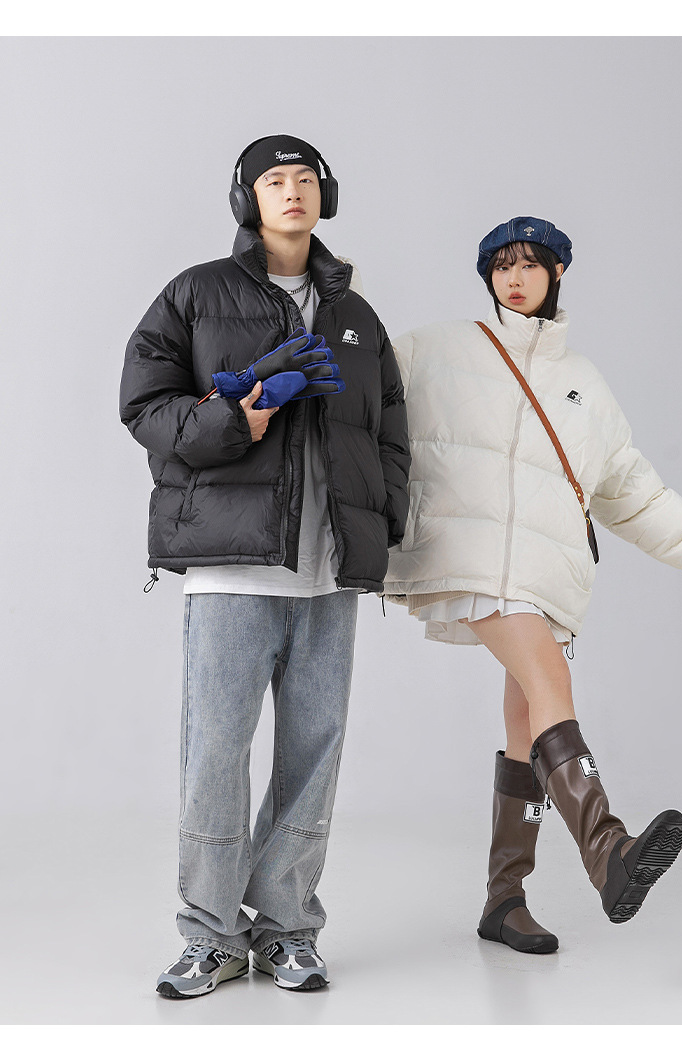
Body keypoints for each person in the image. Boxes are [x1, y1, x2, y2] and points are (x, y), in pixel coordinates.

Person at [383, 216, 682, 954]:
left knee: (525, 726)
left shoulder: (585, 383)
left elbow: (628, 486)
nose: (514, 278)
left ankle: (503, 899)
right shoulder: (436, 348)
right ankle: (607, 849)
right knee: (551, 684)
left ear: (557, 273)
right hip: (470, 552)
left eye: (530, 265)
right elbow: (360, 381)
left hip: (543, 573)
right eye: (502, 266)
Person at [120, 135, 410, 997]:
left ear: (327, 194)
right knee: (215, 754)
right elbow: (144, 405)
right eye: (274, 180)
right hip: (233, 569)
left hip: (328, 571)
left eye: (305, 179)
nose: (292, 192)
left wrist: (382, 523)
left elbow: (391, 430)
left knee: (314, 755)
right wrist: (235, 421)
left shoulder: (356, 317)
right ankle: (211, 935)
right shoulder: (196, 292)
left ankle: (287, 928)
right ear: (246, 198)